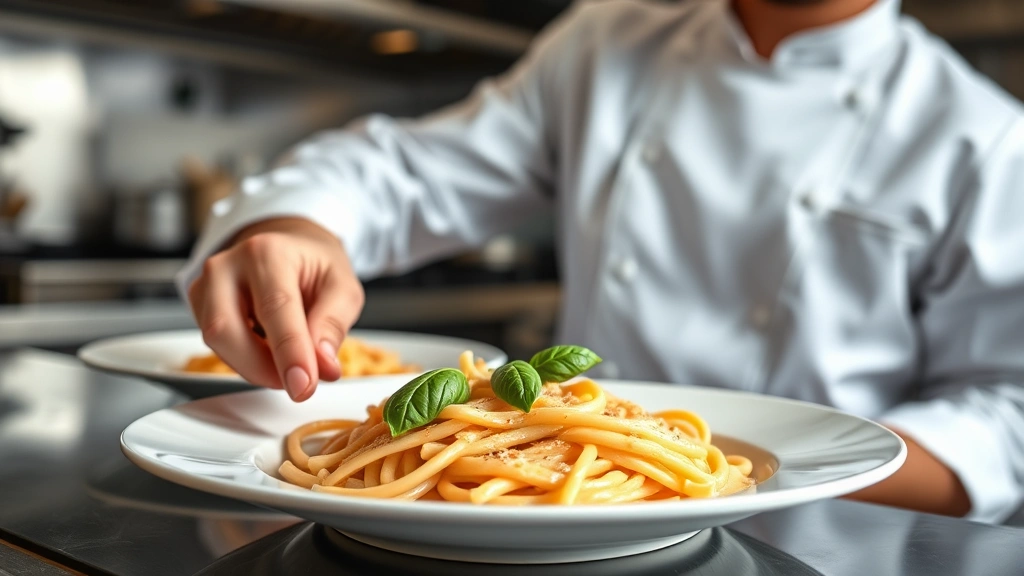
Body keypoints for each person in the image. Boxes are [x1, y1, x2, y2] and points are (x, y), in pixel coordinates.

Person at [178, 0, 1024, 523]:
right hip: (534, 521)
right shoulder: (606, 41)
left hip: (820, 536)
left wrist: (784, 469)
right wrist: (298, 227)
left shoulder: (983, 136)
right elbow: (405, 171)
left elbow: (1007, 412)